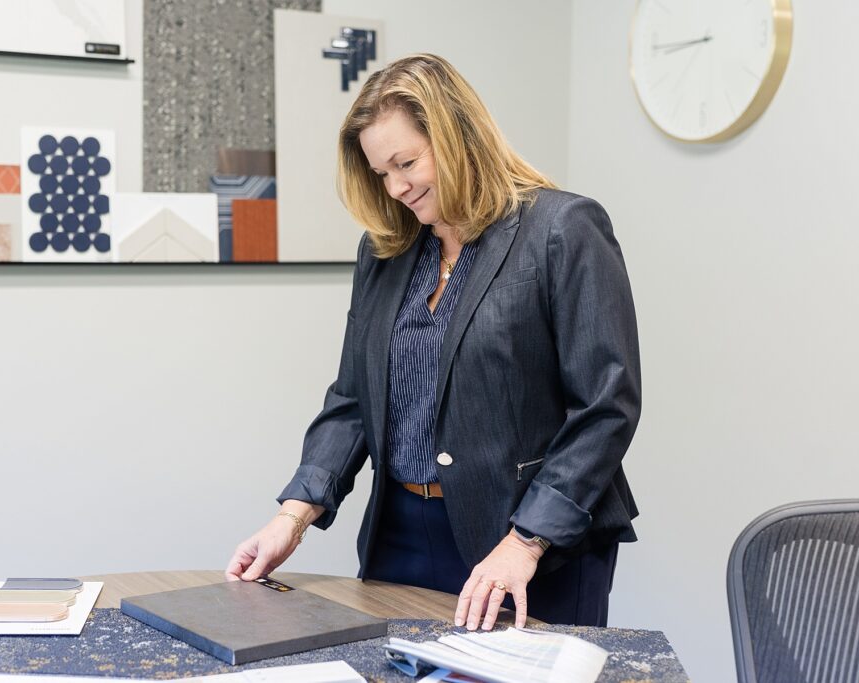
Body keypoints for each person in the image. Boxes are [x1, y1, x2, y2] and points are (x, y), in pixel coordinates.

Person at [225, 53, 641, 632]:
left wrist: (525, 542)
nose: (396, 187)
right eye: (381, 173)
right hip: (399, 532)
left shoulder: (561, 229)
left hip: (529, 542)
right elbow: (352, 400)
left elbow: (605, 406)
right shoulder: (385, 251)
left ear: (457, 135)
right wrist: (292, 516)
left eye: (406, 162)